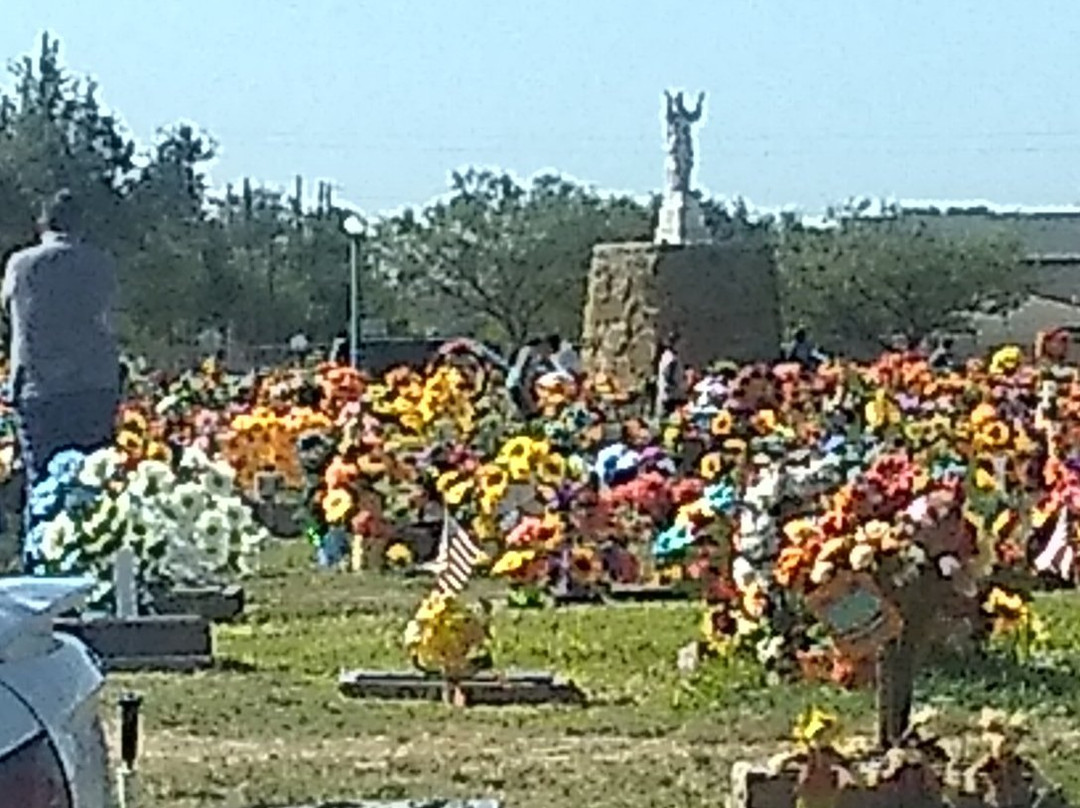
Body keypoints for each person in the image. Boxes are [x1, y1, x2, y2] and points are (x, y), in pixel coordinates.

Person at [2, 190, 119, 544]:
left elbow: (9, 308)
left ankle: (42, 558)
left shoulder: (20, 264)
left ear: (42, 224)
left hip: (38, 389)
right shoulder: (100, 264)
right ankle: (92, 557)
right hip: (93, 387)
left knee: (41, 483)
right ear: (81, 225)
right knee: (92, 483)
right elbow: (109, 318)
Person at [655, 332, 686, 419]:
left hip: (664, 390)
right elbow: (667, 374)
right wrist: (676, 385)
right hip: (667, 392)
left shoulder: (667, 356)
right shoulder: (670, 357)